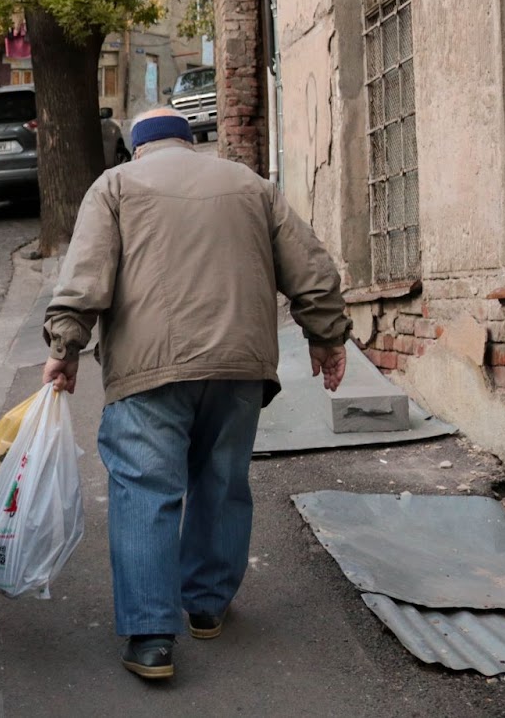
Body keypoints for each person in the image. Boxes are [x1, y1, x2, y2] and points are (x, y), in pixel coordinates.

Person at [42, 107, 350, 681]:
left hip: (150, 367)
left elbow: (86, 275)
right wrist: (327, 338)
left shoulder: (115, 185)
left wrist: (65, 348)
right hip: (239, 366)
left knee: (145, 489)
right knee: (221, 480)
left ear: (138, 148)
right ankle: (206, 606)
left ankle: (153, 637)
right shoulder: (252, 185)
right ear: (190, 143)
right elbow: (310, 269)